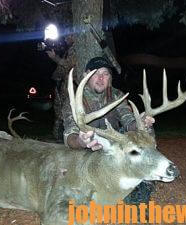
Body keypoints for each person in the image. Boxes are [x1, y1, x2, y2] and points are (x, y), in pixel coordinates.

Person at [62, 56, 155, 216]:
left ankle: (137, 199)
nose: (100, 78)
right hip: (84, 152)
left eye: (105, 74)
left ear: (109, 78)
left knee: (144, 138)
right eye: (96, 73)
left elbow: (128, 121)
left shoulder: (117, 96)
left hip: (110, 150)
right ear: (86, 75)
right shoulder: (74, 100)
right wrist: (81, 141)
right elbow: (69, 136)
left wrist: (142, 124)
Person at [46, 34, 76, 142]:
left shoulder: (75, 49)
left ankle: (64, 137)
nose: (65, 39)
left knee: (64, 111)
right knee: (58, 111)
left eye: (68, 36)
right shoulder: (69, 49)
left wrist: (55, 58)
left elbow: (69, 65)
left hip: (68, 87)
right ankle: (59, 136)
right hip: (62, 85)